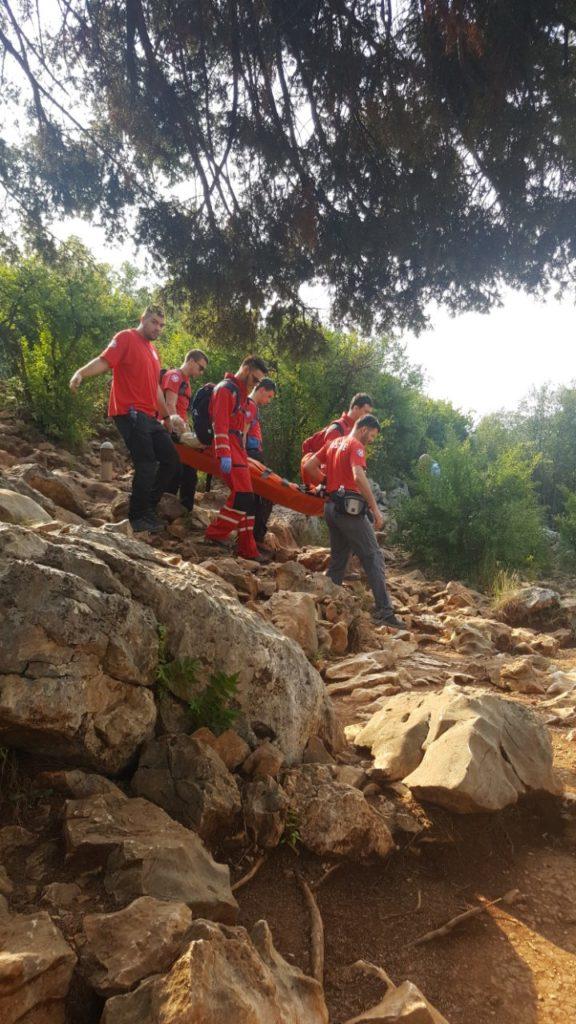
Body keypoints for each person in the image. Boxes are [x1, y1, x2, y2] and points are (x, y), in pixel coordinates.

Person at [69, 304, 181, 533]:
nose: (157, 328)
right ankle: (138, 517)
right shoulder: (126, 338)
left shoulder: (153, 351)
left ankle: (147, 508)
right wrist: (80, 372)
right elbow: (104, 361)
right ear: (143, 319)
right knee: (147, 463)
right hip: (129, 411)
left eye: (161, 325)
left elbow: (156, 390)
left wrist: (168, 417)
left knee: (171, 460)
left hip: (149, 415)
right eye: (153, 322)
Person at [306, 414, 406, 628]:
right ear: (363, 429)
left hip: (331, 507)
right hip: (349, 511)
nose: (371, 439)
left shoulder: (333, 443)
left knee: (339, 560)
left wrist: (326, 481)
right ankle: (384, 612)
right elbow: (358, 476)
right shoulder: (356, 446)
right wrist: (375, 510)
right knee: (373, 557)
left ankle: (325, 607)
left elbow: (309, 466)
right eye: (372, 435)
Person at [204, 355, 270, 561]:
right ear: (247, 368)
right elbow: (220, 425)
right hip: (228, 447)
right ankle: (215, 534)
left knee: (248, 500)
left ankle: (247, 547)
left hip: (236, 448)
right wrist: (223, 453)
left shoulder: (239, 394)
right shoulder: (225, 390)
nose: (256, 384)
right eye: (256, 379)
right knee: (243, 497)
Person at [161, 349, 209, 510]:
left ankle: (183, 508)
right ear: (191, 361)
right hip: (172, 428)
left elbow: (182, 409)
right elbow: (169, 405)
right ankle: (170, 507)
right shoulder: (175, 376)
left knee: (188, 468)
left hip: (181, 426)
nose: (201, 372)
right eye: (200, 367)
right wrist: (180, 432)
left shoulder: (185, 380)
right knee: (178, 468)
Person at [301, 392, 374, 485]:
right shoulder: (337, 429)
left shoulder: (356, 432)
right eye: (366, 412)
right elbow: (328, 462)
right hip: (321, 479)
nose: (367, 417)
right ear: (355, 408)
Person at [245, 377, 277, 547]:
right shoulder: (250, 405)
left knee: (260, 496)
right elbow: (242, 432)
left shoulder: (252, 406)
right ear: (262, 389)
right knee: (267, 494)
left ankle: (254, 537)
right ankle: (255, 538)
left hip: (253, 454)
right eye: (269, 396)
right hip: (251, 455)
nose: (268, 401)